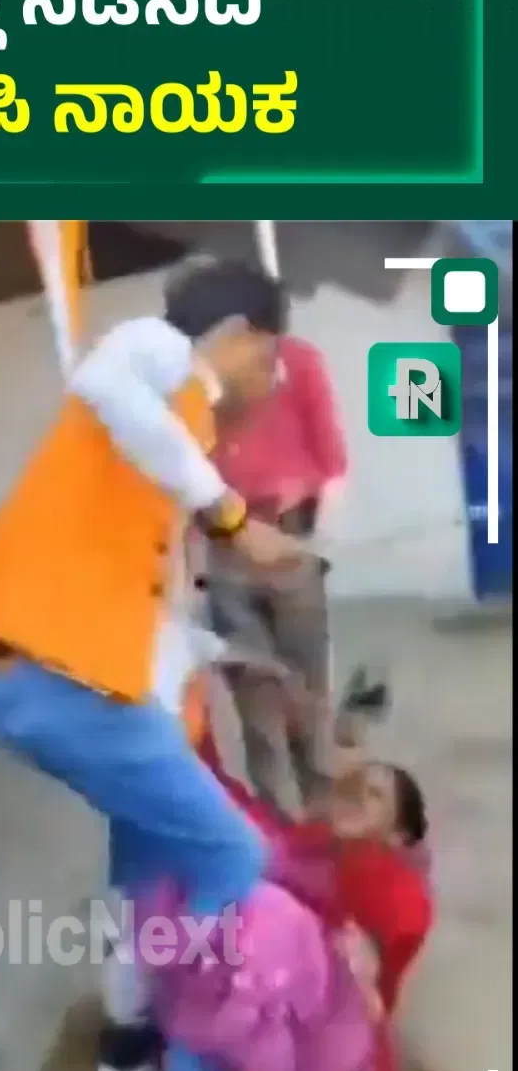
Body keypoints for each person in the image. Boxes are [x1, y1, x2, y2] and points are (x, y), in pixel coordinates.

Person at [0, 255, 316, 1071]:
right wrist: (233, 519)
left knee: (147, 847)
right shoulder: (154, 351)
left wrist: (225, 655)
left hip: (52, 670)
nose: (269, 381)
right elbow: (106, 387)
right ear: (238, 336)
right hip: (40, 668)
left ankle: (128, 1033)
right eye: (268, 360)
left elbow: (146, 598)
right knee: (232, 856)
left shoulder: (172, 431)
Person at [132, 694, 432, 1071]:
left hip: (322, 1032)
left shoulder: (392, 885)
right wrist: (196, 741)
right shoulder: (313, 845)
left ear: (399, 835)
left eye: (375, 794)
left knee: (264, 935)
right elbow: (247, 826)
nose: (355, 793)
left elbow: (377, 944)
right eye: (352, 785)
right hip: (270, 1006)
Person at [207, 330, 347, 813]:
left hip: (289, 536)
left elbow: (332, 457)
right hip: (224, 545)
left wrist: (318, 539)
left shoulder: (298, 361)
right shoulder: (200, 373)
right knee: (255, 696)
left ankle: (323, 812)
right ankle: (277, 822)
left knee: (307, 686)